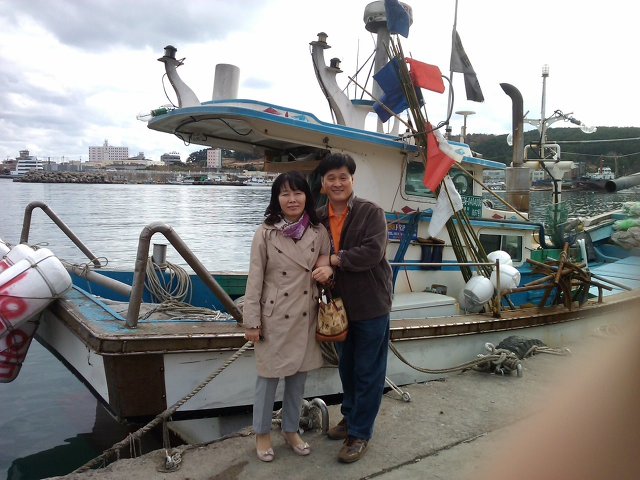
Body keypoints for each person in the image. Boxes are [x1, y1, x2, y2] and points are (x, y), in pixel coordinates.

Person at [243, 171, 333, 463]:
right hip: (274, 316)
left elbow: (324, 262)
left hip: (306, 314)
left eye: (297, 193)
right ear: (277, 199)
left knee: (298, 379)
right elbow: (255, 278)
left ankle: (291, 429)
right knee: (267, 378)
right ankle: (262, 433)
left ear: (307, 196)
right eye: (285, 194)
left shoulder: (318, 231)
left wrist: (327, 268)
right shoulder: (265, 232)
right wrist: (252, 321)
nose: (292, 199)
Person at [315, 152, 393, 463]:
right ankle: (350, 417)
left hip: (371, 303)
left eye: (343, 177)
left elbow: (372, 252)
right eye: (331, 178)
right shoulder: (317, 218)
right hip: (337, 307)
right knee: (347, 367)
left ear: (352, 180)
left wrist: (334, 260)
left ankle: (360, 433)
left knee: (368, 370)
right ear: (323, 183)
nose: (337, 183)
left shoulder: (371, 212)